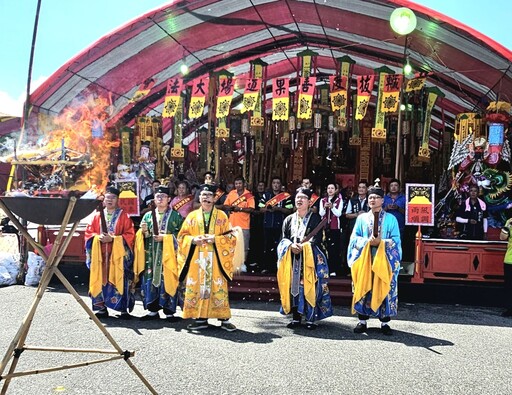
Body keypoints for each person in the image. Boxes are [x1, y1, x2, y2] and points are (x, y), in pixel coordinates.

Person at [177, 184, 238, 331]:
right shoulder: (191, 216)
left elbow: (231, 237)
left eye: (209, 196)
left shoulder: (222, 216)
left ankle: (223, 318)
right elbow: (181, 237)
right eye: (203, 195)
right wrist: (193, 240)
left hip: (216, 259)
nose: (206, 198)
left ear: (214, 198)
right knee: (197, 286)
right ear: (199, 198)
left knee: (217, 285)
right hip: (197, 259)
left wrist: (216, 239)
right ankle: (200, 318)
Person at [348, 182, 401, 336]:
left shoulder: (391, 219)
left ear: (383, 200)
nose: (373, 200)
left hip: (384, 260)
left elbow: (396, 240)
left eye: (377, 197)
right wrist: (367, 242)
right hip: (365, 259)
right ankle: (362, 320)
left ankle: (384, 322)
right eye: (371, 197)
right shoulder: (362, 218)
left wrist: (382, 243)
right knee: (364, 286)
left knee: (383, 285)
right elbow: (354, 238)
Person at [276, 187, 333, 330]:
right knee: (293, 287)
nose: (299, 200)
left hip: (309, 259)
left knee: (310, 286)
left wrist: (305, 246)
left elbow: (319, 239)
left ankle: (310, 318)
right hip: (293, 258)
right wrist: (290, 246)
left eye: (303, 198)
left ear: (309, 202)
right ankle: (296, 317)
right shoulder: (289, 219)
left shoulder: (315, 219)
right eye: (297, 198)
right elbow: (283, 239)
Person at [85, 186, 135, 319]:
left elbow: (130, 235)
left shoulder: (124, 216)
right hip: (100, 256)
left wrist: (113, 239)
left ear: (118, 200)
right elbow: (89, 233)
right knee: (99, 279)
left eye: (113, 197)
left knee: (120, 278)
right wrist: (97, 237)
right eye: (108, 197)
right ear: (103, 200)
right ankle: (101, 308)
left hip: (117, 257)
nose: (110, 200)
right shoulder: (96, 217)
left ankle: (122, 309)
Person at [135, 186, 184, 321]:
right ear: (154, 199)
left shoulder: (176, 216)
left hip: (168, 257)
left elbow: (182, 236)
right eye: (158, 196)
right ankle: (152, 310)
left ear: (169, 199)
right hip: (151, 255)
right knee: (150, 280)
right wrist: (143, 232)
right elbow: (142, 235)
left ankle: (169, 312)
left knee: (168, 279)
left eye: (163, 196)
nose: (160, 199)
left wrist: (167, 238)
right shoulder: (148, 215)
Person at [259, 177, 293, 274]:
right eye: (274, 183)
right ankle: (266, 267)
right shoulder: (266, 195)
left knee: (279, 246)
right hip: (268, 224)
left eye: (278, 183)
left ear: (281, 185)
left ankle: (279, 267)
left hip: (280, 225)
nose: (276, 185)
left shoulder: (286, 196)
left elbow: (289, 210)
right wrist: (268, 209)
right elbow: (260, 208)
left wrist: (278, 209)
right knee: (267, 246)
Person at [223, 176, 255, 272]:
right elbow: (225, 205)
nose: (238, 185)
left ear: (244, 184)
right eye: (236, 184)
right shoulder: (232, 193)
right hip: (232, 224)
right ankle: (231, 263)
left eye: (240, 183)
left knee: (244, 246)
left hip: (244, 225)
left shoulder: (248, 195)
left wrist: (240, 209)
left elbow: (251, 209)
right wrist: (230, 208)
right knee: (231, 245)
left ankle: (242, 264)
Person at [319, 183, 344, 276]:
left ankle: (333, 269)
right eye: (328, 188)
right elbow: (321, 214)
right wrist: (325, 207)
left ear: (336, 190)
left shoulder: (339, 200)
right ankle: (323, 268)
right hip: (324, 227)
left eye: (332, 188)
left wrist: (332, 207)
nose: (330, 190)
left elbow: (338, 214)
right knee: (324, 247)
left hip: (334, 227)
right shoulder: (322, 200)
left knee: (334, 249)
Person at [499, 217, 512, 317]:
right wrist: (507, 226)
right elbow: (502, 237)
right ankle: (509, 309)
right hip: (510, 259)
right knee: (509, 286)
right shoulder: (509, 221)